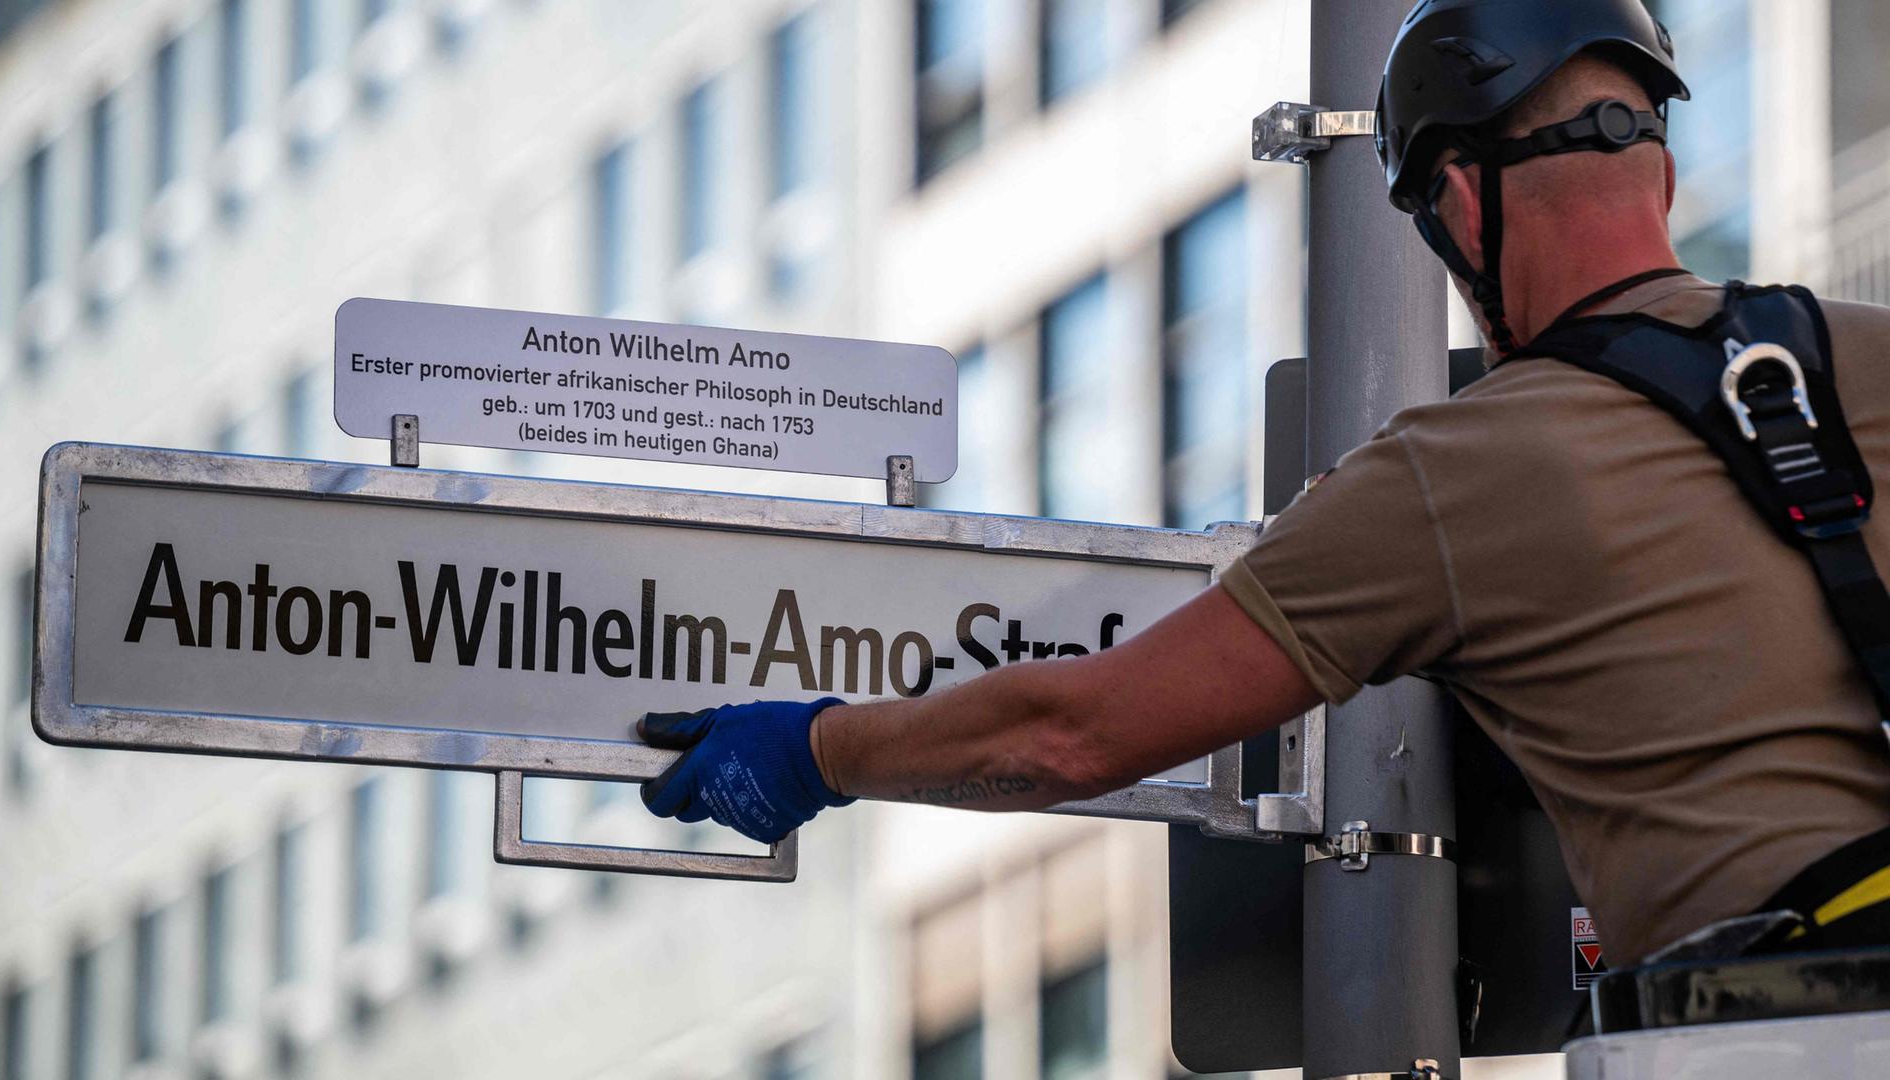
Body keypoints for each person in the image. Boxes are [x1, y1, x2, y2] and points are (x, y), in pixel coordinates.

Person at [638, 0, 1890, 971]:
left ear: (1458, 204)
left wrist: (814, 749)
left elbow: (1075, 732)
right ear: (1661, 174)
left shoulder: (1448, 475)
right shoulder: (1870, 348)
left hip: (1768, 1029)